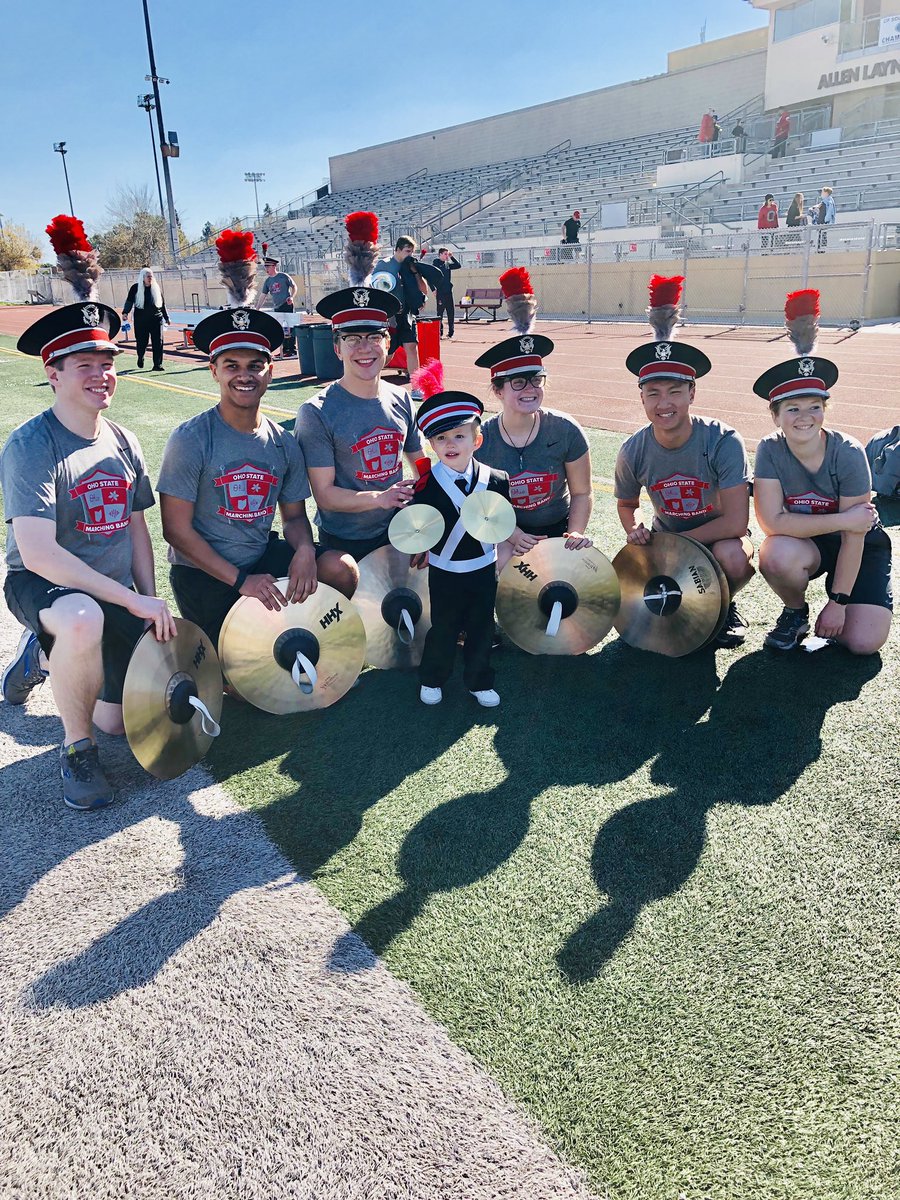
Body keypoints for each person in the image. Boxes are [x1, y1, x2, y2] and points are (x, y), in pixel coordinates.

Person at [0, 301, 176, 810]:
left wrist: (148, 600)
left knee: (116, 721)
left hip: (112, 590)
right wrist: (127, 600)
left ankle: (42, 656)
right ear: (53, 375)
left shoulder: (123, 439)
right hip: (45, 584)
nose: (101, 375)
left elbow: (137, 528)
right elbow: (38, 555)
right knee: (80, 617)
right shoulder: (31, 444)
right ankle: (77, 751)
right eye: (85, 366)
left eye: (107, 363)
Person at [156, 307, 356, 651]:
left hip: (260, 558)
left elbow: (293, 517)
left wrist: (305, 550)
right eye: (232, 365)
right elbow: (175, 531)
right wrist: (241, 581)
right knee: (240, 678)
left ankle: (316, 630)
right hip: (205, 574)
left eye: (254, 366)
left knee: (341, 568)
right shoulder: (191, 438)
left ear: (270, 372)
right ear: (213, 371)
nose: (244, 376)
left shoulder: (283, 441)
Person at [615, 275, 755, 649]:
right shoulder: (633, 449)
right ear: (641, 397)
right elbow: (628, 505)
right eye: (654, 393)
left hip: (716, 536)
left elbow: (737, 522)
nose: (665, 404)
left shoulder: (723, 440)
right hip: (667, 538)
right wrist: (639, 527)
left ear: (692, 393)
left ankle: (726, 604)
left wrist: (675, 544)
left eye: (676, 391)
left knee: (734, 557)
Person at [752, 291, 891, 654]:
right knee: (775, 553)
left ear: (825, 409)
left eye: (815, 406)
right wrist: (846, 519)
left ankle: (845, 599)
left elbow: (857, 535)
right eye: (793, 408)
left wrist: (839, 602)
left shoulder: (847, 452)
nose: (805, 417)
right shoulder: (770, 448)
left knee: (862, 643)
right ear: (776, 415)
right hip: (806, 544)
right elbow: (773, 524)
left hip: (858, 545)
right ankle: (795, 613)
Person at [294, 286, 423, 565]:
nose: (365, 348)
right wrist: (379, 498)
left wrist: (423, 523)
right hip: (347, 541)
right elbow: (325, 495)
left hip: (399, 529)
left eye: (374, 337)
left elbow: (421, 466)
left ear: (388, 344)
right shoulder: (316, 412)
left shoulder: (401, 397)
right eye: (352, 338)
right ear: (337, 348)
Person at [408, 391, 510, 708]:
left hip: (483, 568)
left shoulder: (497, 479)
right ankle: (433, 677)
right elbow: (420, 525)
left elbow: (502, 521)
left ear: (476, 440)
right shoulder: (425, 485)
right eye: (441, 438)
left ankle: (479, 681)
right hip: (445, 570)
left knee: (481, 626)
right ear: (432, 445)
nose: (451, 445)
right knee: (444, 627)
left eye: (459, 436)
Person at [475, 332, 593, 574]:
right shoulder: (482, 440)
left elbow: (582, 492)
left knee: (580, 572)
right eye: (518, 382)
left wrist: (575, 533)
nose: (530, 389)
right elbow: (480, 506)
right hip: (506, 530)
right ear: (498, 391)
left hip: (558, 526)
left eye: (536, 380)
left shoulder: (565, 429)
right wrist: (514, 535)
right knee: (505, 566)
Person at [371, 235, 425, 390]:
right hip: (390, 315)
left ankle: (416, 388)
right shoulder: (385, 265)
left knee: (412, 348)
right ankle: (371, 382)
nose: (410, 254)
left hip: (407, 315)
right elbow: (376, 288)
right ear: (398, 249)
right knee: (386, 353)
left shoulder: (411, 265)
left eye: (412, 251)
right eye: (408, 251)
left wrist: (421, 298)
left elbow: (422, 287)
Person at [122, 267, 169, 371]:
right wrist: (125, 312)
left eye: (151, 276)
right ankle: (140, 357)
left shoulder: (156, 288)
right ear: (143, 277)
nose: (150, 278)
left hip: (156, 319)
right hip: (141, 320)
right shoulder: (135, 288)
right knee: (142, 342)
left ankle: (157, 365)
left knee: (158, 342)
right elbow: (129, 301)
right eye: (148, 276)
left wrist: (166, 317)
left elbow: (162, 304)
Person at [255, 254, 297, 355]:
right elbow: (263, 295)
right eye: (265, 267)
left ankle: (291, 350)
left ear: (274, 266)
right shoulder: (268, 281)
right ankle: (283, 350)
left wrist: (291, 297)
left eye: (268, 266)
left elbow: (294, 287)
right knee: (280, 329)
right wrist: (257, 309)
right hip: (277, 307)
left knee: (289, 328)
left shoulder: (283, 276)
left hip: (286, 305)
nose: (266, 269)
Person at [432, 247, 460, 339]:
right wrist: (433, 288)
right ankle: (439, 332)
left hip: (448, 292)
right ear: (440, 254)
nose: (446, 256)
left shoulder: (447, 264)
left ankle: (451, 332)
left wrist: (452, 257)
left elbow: (458, 265)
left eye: (447, 254)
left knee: (450, 312)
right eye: (445, 254)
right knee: (440, 313)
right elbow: (430, 277)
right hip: (440, 292)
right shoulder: (436, 263)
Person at [813, 186, 836, 251]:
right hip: (821, 220)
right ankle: (820, 248)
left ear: (826, 193)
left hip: (824, 220)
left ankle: (821, 249)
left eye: (822, 192)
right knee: (820, 235)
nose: (821, 194)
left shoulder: (829, 201)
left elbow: (829, 211)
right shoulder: (825, 201)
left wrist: (827, 219)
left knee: (823, 235)